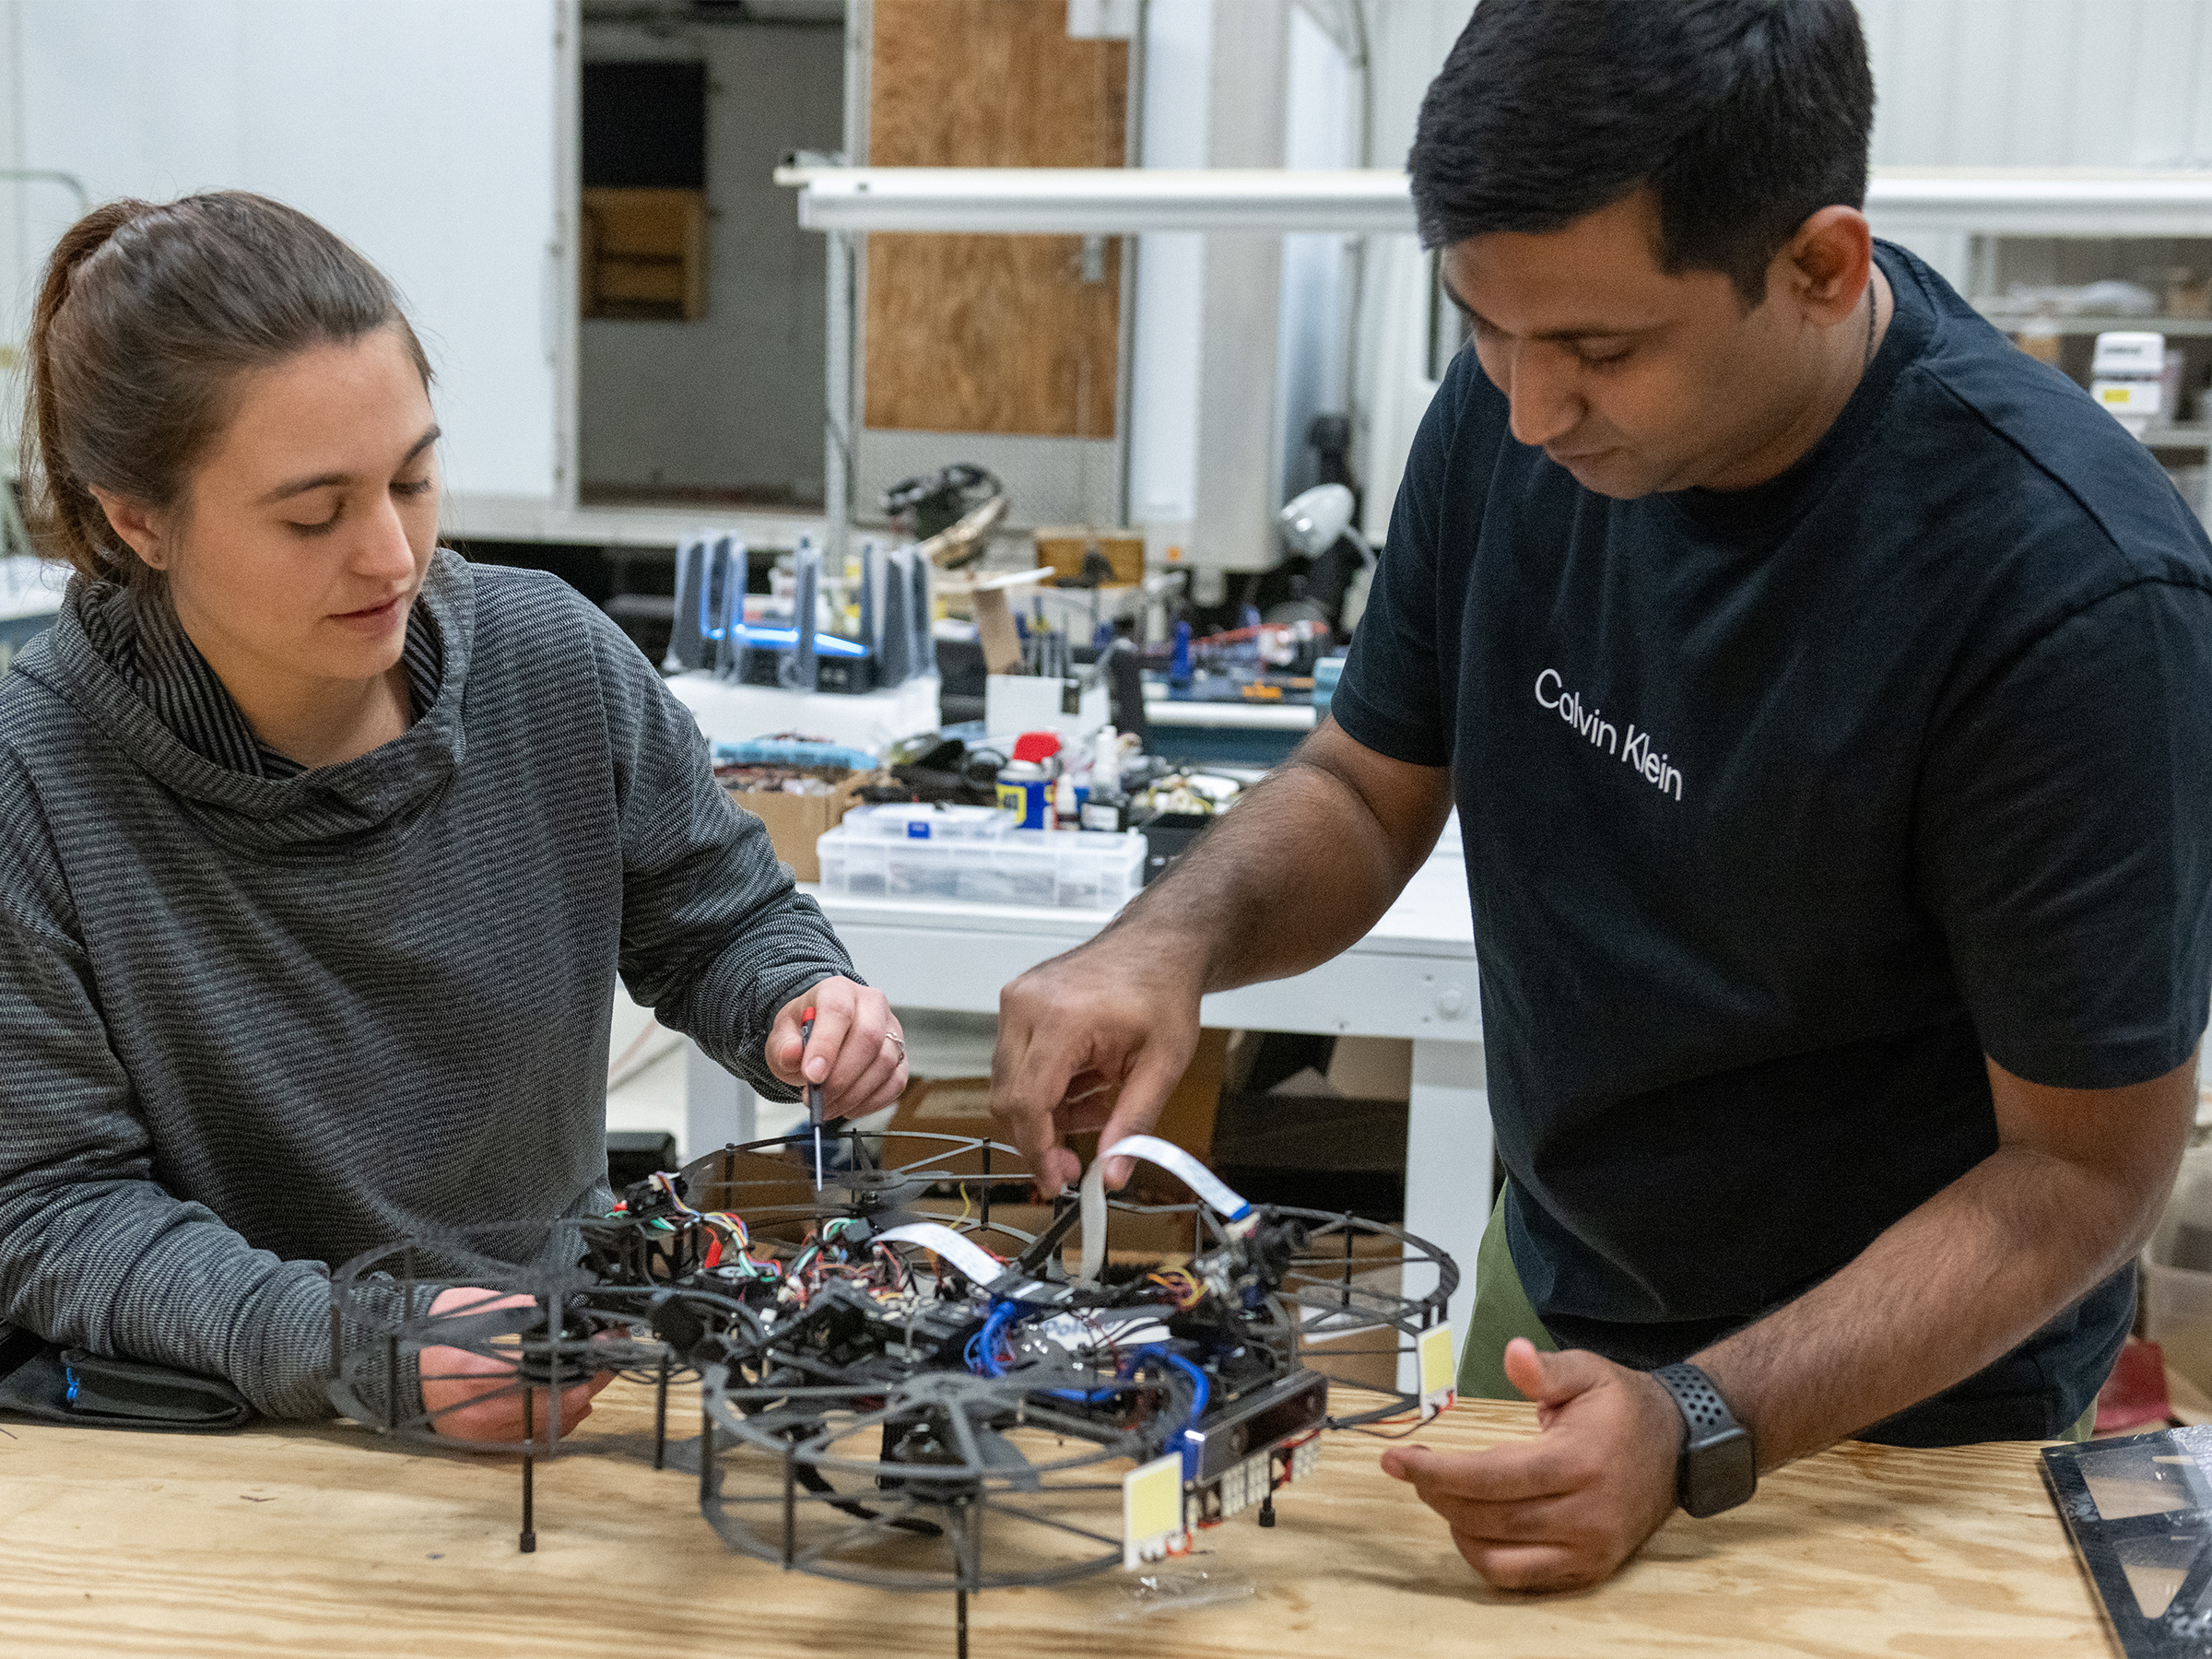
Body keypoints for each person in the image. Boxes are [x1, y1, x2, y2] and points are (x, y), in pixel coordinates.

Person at [984, 0, 2212, 1593]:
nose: (1528, 409)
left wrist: (1703, 1417)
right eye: (1484, 329)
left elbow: (2086, 1171)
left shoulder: (2070, 593)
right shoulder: (1516, 414)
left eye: (1599, 352)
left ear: (1822, 265)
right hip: (1558, 1286)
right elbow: (1368, 783)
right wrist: (1171, 942)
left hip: (1901, 1407)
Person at [0, 192, 907, 1440]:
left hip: (557, 1384)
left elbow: (719, 919)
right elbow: (52, 1213)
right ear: (136, 518)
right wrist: (369, 1353)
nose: (390, 555)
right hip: (235, 1445)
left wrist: (799, 1000)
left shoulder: (553, 662)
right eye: (314, 513)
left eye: (414, 479)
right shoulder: (33, 782)